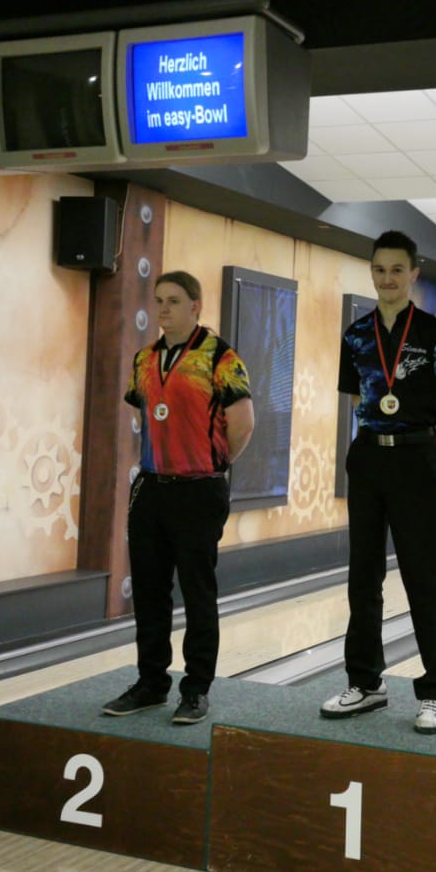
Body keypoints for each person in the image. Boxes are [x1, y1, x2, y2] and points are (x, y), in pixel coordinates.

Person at [322, 231, 436, 733]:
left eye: (397, 270)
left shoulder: (435, 334)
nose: (387, 278)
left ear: (413, 274)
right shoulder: (356, 335)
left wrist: (423, 454)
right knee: (363, 577)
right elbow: (355, 402)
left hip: (415, 460)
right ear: (372, 272)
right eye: (379, 269)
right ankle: (365, 683)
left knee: (423, 579)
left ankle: (434, 692)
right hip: (367, 460)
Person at [101, 270, 254, 725]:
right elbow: (148, 415)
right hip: (150, 488)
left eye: (172, 301)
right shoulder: (144, 360)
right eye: (159, 300)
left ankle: (196, 688)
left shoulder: (221, 358)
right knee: (149, 593)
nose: (163, 309)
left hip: (199, 489)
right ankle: (151, 682)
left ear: (195, 307)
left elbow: (243, 423)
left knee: (197, 591)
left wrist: (215, 465)